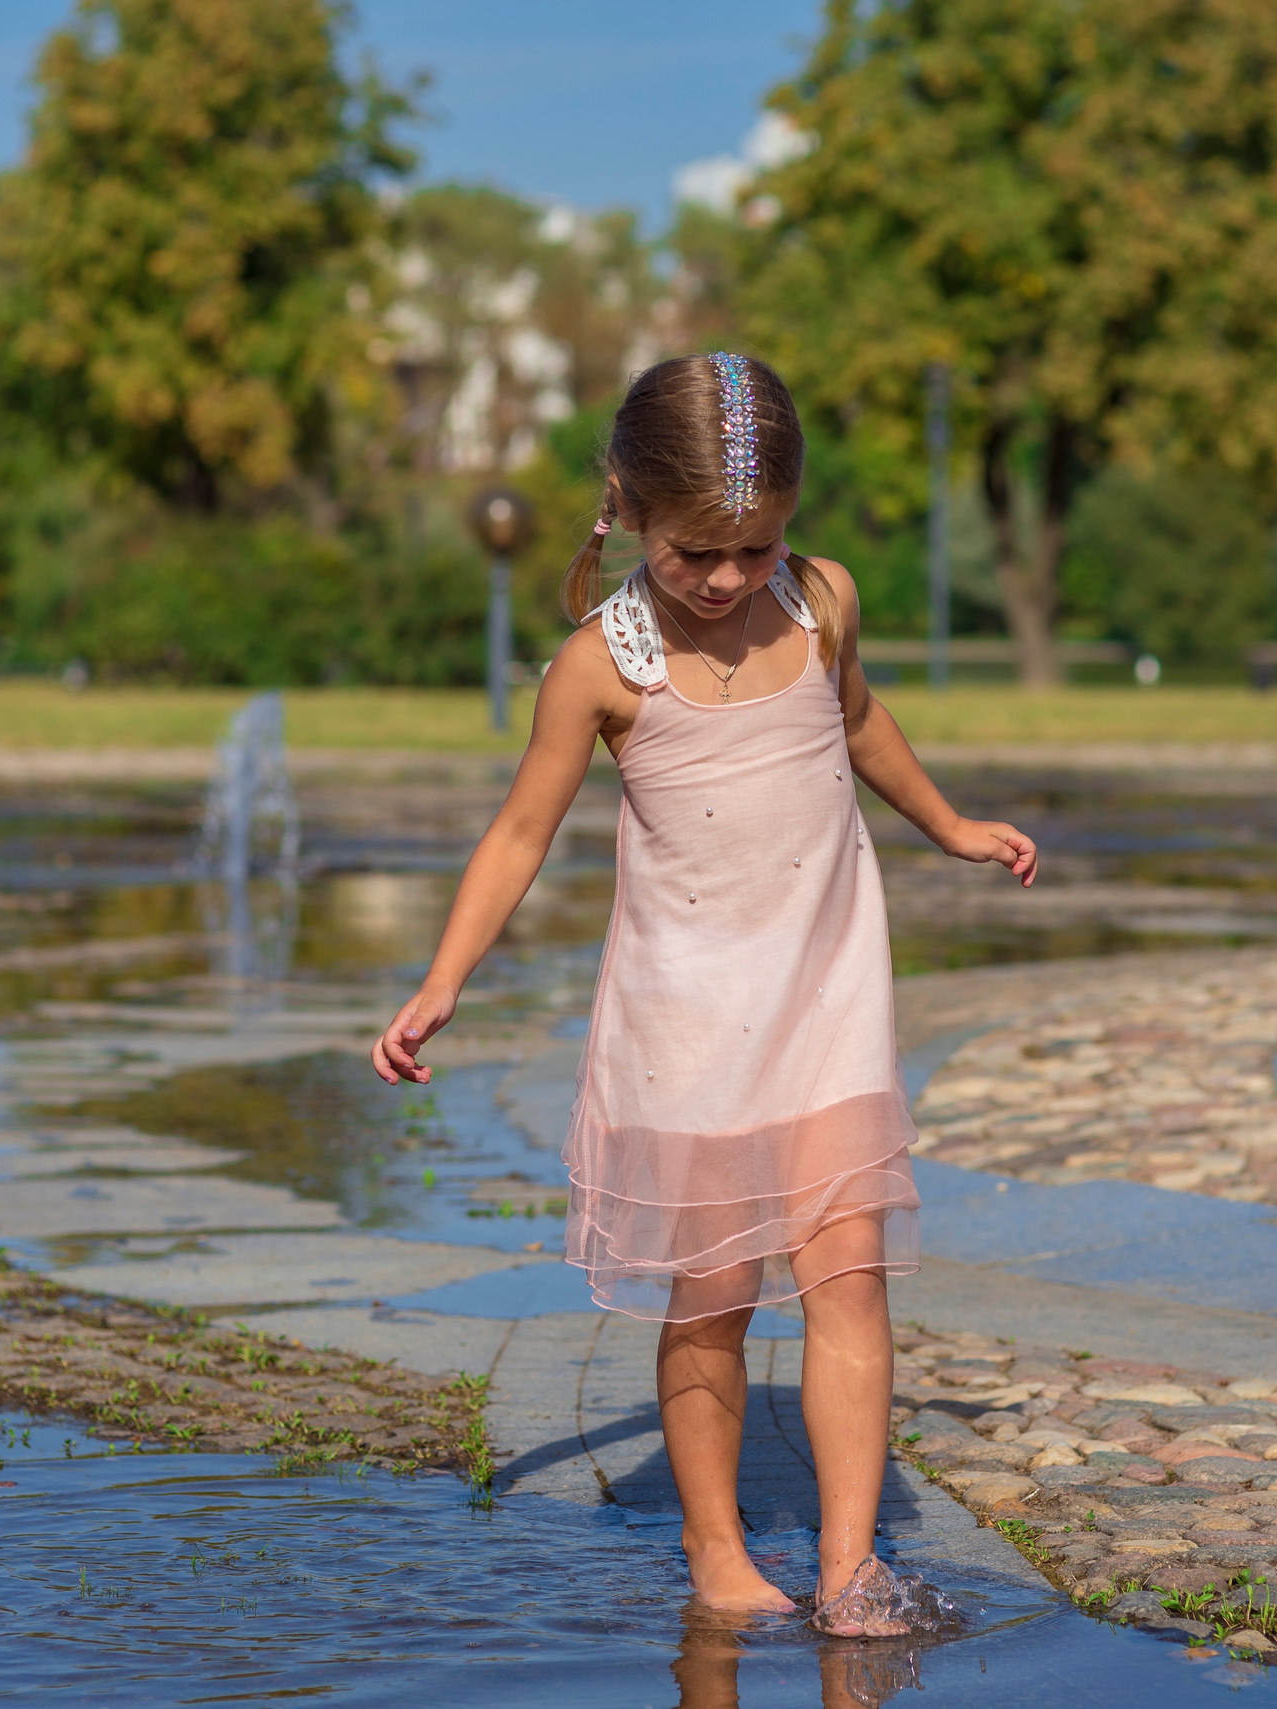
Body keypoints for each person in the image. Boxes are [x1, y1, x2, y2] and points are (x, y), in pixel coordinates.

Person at [372, 352, 1036, 1635]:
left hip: (826, 990)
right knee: (714, 1293)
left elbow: (857, 719)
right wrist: (442, 978)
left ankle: (849, 1564)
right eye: (695, 554)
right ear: (626, 507)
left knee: (850, 1276)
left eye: (755, 547)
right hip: (690, 1017)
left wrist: (948, 824)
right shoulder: (600, 668)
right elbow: (519, 831)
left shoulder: (822, 601)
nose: (729, 579)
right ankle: (718, 1547)